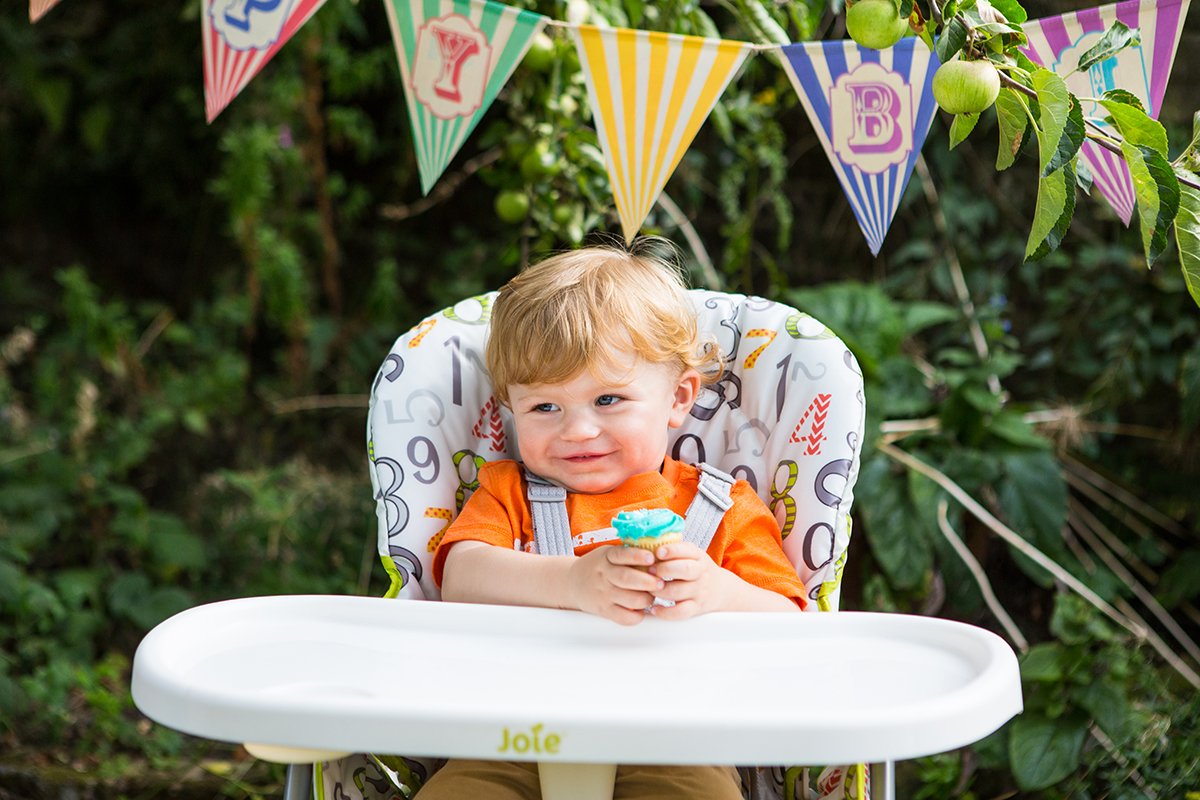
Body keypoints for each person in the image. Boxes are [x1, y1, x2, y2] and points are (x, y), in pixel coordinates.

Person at [419, 239, 805, 800]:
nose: (576, 430)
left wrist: (718, 592)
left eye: (608, 400)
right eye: (545, 407)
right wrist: (572, 583)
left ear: (678, 398)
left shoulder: (725, 508)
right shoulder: (508, 490)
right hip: (514, 739)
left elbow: (791, 622)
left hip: (677, 743)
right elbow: (460, 578)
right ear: (512, 408)